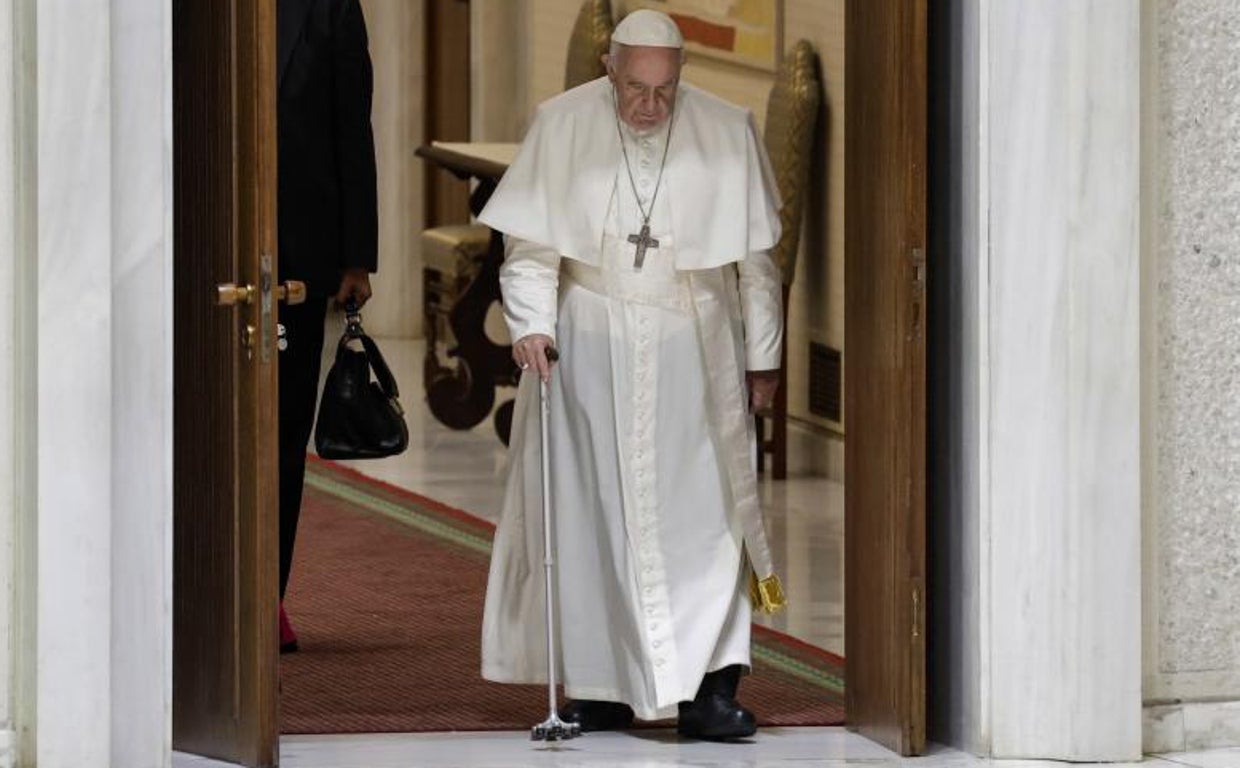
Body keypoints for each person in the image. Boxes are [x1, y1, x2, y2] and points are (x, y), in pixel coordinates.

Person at [478, 9, 786, 740]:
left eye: (665, 91)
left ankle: (711, 690)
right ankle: (599, 687)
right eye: (635, 89)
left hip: (695, 343)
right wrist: (533, 325)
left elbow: (758, 266)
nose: (650, 106)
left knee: (707, 519)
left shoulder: (727, 128)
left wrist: (763, 359)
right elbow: (528, 250)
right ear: (609, 72)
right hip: (591, 340)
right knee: (593, 514)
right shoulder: (560, 124)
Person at [275, 0, 378, 652]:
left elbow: (351, 124)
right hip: (192, 252)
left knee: (282, 432)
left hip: (297, 260)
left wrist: (356, 254)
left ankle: (265, 595)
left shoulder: (330, 4)